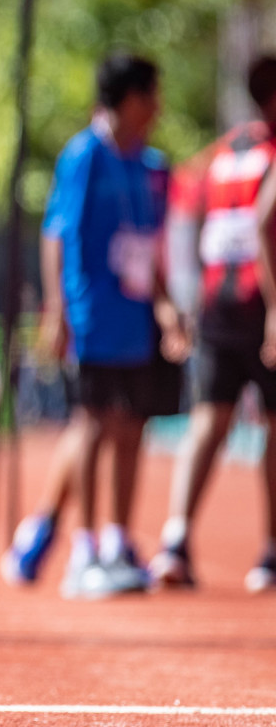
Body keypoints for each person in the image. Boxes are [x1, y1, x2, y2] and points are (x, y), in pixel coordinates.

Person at [2, 54, 188, 598]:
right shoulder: (84, 155)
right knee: (92, 423)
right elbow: (56, 233)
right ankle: (80, 548)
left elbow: (154, 247)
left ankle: (114, 540)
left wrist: (166, 305)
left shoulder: (153, 167)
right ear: (129, 98)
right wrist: (56, 310)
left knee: (132, 427)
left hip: (137, 318)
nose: (157, 106)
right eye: (151, 95)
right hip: (92, 315)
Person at [149, 56, 276, 593]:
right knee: (272, 425)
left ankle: (175, 540)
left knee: (209, 420)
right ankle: (271, 551)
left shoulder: (226, 150)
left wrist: (188, 292)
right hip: (261, 304)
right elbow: (265, 223)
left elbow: (187, 215)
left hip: (216, 302)